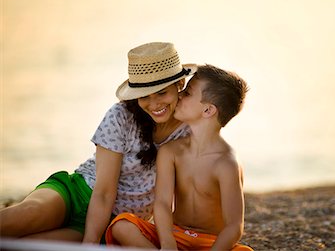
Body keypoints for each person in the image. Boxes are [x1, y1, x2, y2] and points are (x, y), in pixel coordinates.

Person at [0, 42, 197, 243]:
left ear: (179, 84)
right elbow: (103, 192)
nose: (154, 104)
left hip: (113, 224)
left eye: (162, 92)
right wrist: (90, 244)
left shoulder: (191, 131)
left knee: (26, 246)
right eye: (144, 96)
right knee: (26, 215)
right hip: (75, 195)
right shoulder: (121, 116)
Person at [105, 64, 253, 250]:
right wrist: (168, 243)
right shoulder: (170, 151)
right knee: (122, 226)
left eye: (188, 92)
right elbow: (163, 204)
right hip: (174, 235)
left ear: (208, 110)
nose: (180, 95)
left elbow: (234, 227)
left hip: (210, 243)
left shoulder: (226, 163)